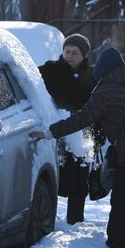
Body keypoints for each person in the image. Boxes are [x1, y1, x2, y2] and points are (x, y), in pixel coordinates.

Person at [30, 47, 125, 248]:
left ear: (103, 72)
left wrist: (49, 133)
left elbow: (80, 119)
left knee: (122, 200)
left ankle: (116, 245)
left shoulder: (106, 92)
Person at [38, 33, 101, 225]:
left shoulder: (92, 76)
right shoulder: (49, 71)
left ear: (83, 55)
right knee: (55, 176)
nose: (70, 55)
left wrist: (98, 137)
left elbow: (99, 105)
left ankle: (75, 220)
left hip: (83, 132)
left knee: (80, 176)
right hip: (56, 129)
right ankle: (48, 218)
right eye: (67, 51)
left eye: (75, 52)